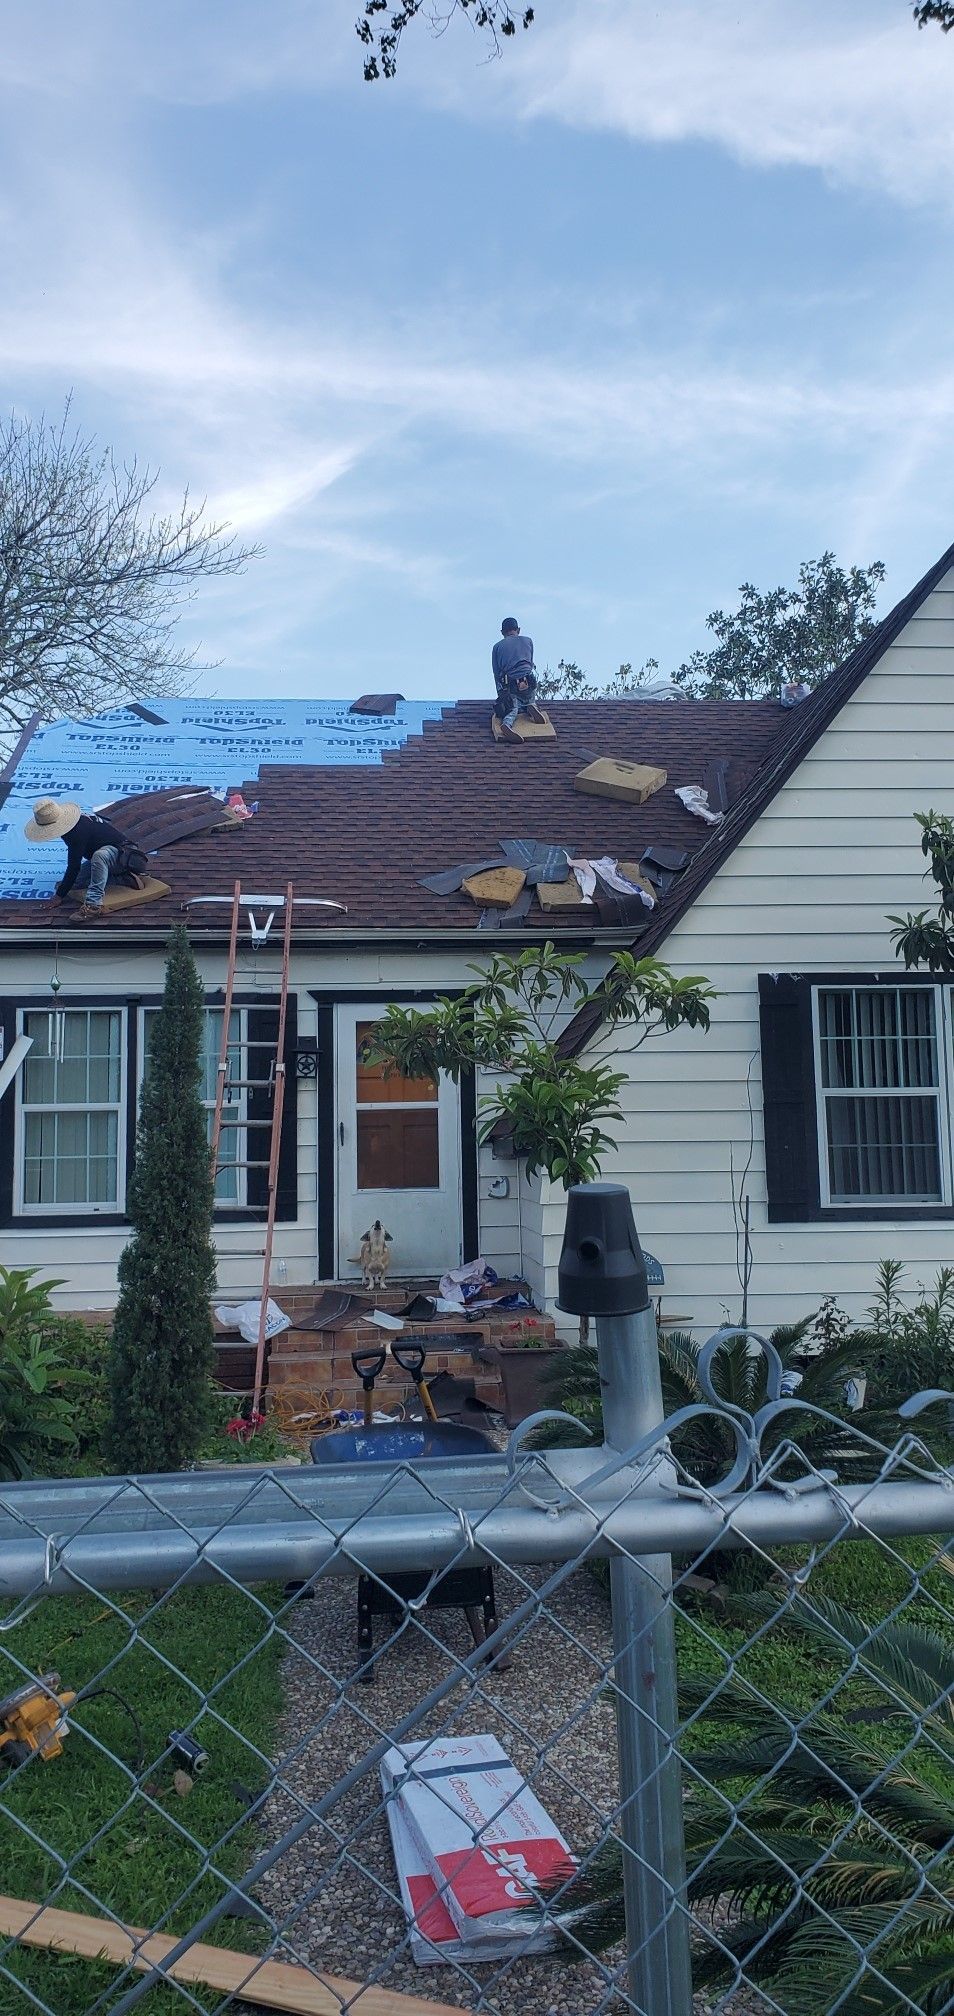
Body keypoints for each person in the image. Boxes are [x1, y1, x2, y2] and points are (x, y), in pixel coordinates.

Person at [24, 798, 130, 918]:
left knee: (99, 856)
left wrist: (59, 896)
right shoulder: (73, 826)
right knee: (74, 883)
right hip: (112, 860)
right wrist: (63, 889)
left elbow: (74, 866)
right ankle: (124, 879)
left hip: (126, 857)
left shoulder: (77, 831)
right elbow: (75, 868)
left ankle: (93, 905)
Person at [491, 617, 543, 733]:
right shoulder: (528, 641)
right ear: (518, 630)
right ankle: (531, 707)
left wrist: (501, 693)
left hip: (511, 683)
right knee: (529, 699)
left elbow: (496, 672)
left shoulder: (497, 647)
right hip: (529, 680)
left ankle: (507, 724)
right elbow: (530, 662)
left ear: (502, 632)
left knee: (513, 708)